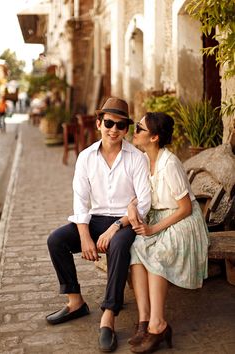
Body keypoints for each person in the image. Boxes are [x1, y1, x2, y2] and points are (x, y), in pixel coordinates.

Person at [46, 97, 151, 352]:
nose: (114, 129)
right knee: (56, 240)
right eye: (108, 123)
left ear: (126, 129)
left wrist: (116, 225)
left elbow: (145, 203)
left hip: (125, 222)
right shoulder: (85, 158)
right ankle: (75, 302)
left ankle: (109, 315)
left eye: (121, 125)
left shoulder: (137, 158)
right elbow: (80, 202)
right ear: (98, 123)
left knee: (118, 246)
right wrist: (84, 236)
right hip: (95, 219)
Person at [127, 112, 209, 354]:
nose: (135, 130)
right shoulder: (143, 159)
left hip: (183, 219)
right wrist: (132, 205)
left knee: (159, 252)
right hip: (160, 217)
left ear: (153, 137)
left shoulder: (169, 163)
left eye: (139, 128)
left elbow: (185, 208)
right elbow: (141, 194)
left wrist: (152, 229)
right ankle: (144, 322)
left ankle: (158, 324)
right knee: (136, 247)